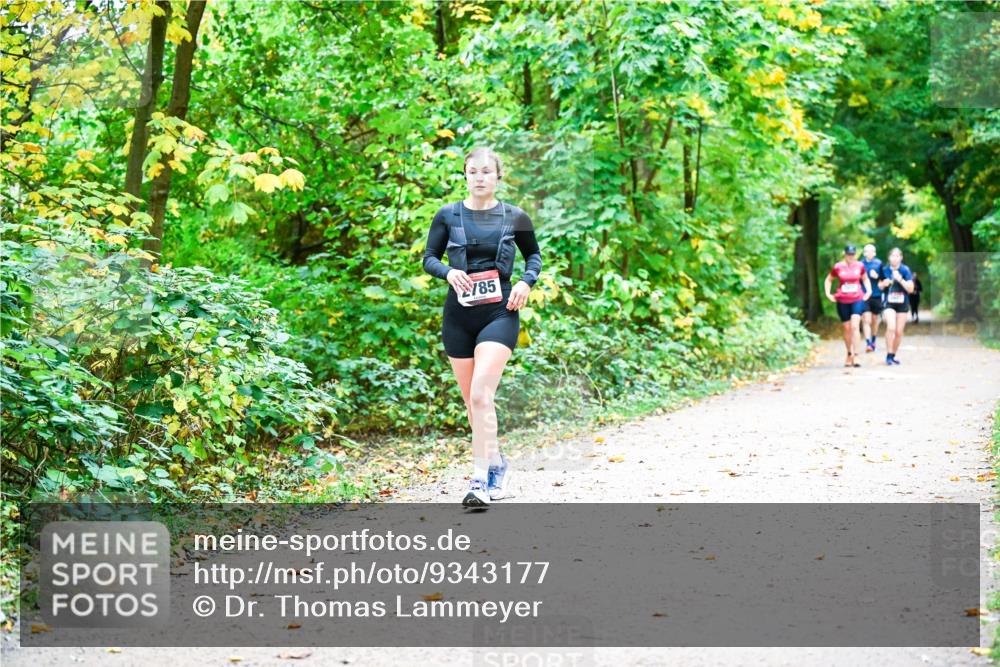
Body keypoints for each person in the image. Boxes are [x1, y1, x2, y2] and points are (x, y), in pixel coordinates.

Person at [422, 147, 542, 507]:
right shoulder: (448, 215)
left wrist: (526, 282)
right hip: (458, 315)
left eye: (486, 172)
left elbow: (533, 255)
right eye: (472, 171)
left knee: (480, 395)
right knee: (472, 404)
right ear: (465, 175)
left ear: (497, 177)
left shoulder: (515, 216)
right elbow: (429, 258)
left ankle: (479, 479)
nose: (479, 177)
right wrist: (449, 271)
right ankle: (497, 465)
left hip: (500, 312)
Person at [824, 244, 872, 368]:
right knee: (847, 328)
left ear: (855, 254)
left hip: (857, 298)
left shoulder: (860, 266)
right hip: (842, 300)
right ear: (844, 254)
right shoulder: (838, 267)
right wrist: (828, 294)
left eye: (853, 254)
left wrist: (869, 291)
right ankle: (849, 353)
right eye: (848, 254)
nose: (850, 257)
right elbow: (829, 279)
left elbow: (865, 279)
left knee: (855, 326)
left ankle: (857, 355)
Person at [879, 247, 915, 365]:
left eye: (897, 256)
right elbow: (879, 285)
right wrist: (883, 284)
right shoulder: (884, 270)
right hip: (888, 303)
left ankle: (892, 355)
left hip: (902, 304)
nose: (894, 258)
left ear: (901, 258)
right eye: (892, 256)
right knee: (891, 327)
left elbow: (910, 289)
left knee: (899, 332)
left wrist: (900, 279)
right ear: (889, 258)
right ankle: (888, 355)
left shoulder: (905, 270)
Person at [860, 243, 884, 352]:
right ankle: (868, 343)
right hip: (864, 295)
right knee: (866, 320)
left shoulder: (879, 263)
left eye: (871, 251)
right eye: (866, 251)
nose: (869, 253)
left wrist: (877, 276)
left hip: (876, 295)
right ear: (864, 253)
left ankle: (874, 339)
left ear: (874, 253)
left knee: (875, 320)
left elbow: (884, 279)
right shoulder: (860, 264)